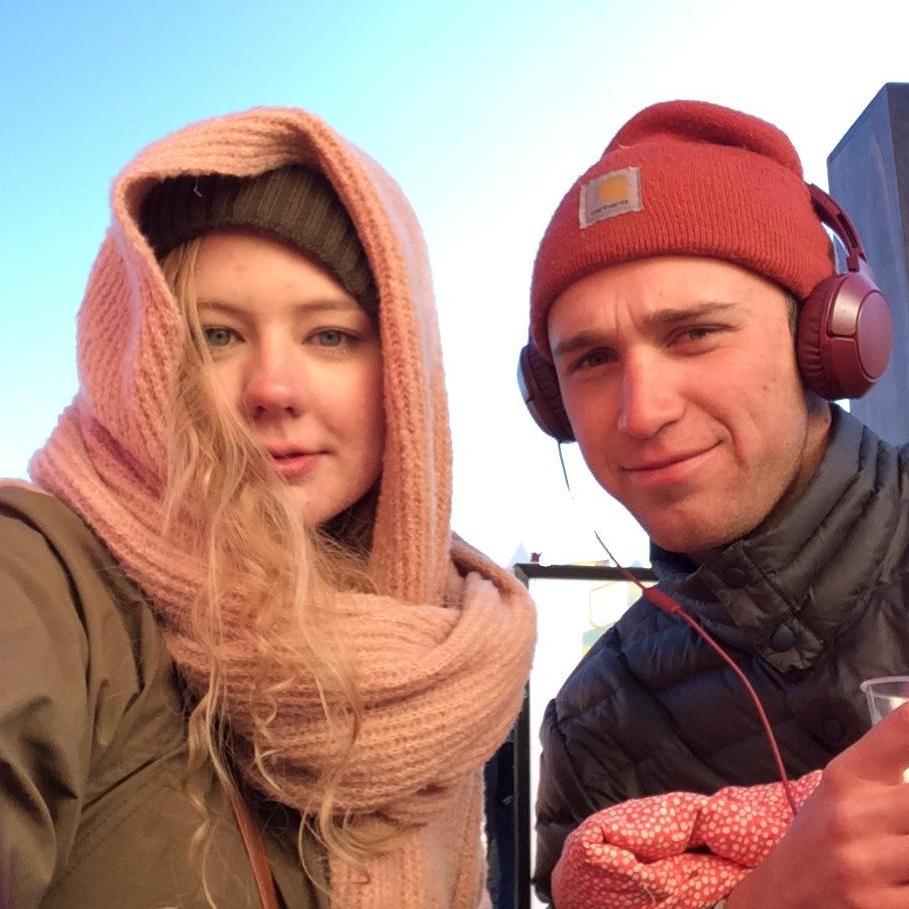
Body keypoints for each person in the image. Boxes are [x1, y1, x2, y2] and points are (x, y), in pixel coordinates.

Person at [1, 106, 536, 909]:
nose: (273, 390)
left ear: (402, 373)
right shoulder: (43, 579)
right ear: (144, 365)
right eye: (216, 336)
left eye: (329, 336)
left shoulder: (436, 658)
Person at [518, 98, 909, 907]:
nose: (640, 411)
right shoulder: (592, 727)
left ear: (827, 342)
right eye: (590, 359)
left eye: (693, 333)